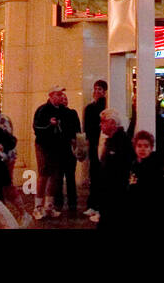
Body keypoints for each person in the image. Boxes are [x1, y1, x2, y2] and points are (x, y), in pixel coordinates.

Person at [32, 85, 80, 220]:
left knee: (55, 175)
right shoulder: (43, 110)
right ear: (51, 96)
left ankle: (49, 205)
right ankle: (38, 206)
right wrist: (49, 125)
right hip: (44, 146)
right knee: (43, 174)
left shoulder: (63, 111)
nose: (61, 97)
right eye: (58, 95)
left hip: (57, 147)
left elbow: (69, 127)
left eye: (61, 95)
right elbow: (37, 127)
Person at [95, 108, 133, 230]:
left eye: (103, 121)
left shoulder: (122, 142)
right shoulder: (111, 141)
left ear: (112, 123)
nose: (100, 124)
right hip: (109, 195)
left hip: (115, 196)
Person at [126, 130, 164, 229]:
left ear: (151, 148)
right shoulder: (134, 164)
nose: (142, 149)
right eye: (139, 146)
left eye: (146, 146)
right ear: (134, 147)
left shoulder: (154, 167)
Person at [83, 79, 108, 220]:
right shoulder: (90, 108)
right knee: (94, 174)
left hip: (102, 143)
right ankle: (92, 204)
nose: (97, 92)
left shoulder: (105, 106)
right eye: (96, 89)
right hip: (93, 144)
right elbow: (87, 128)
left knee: (101, 174)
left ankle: (98, 205)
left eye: (100, 89)